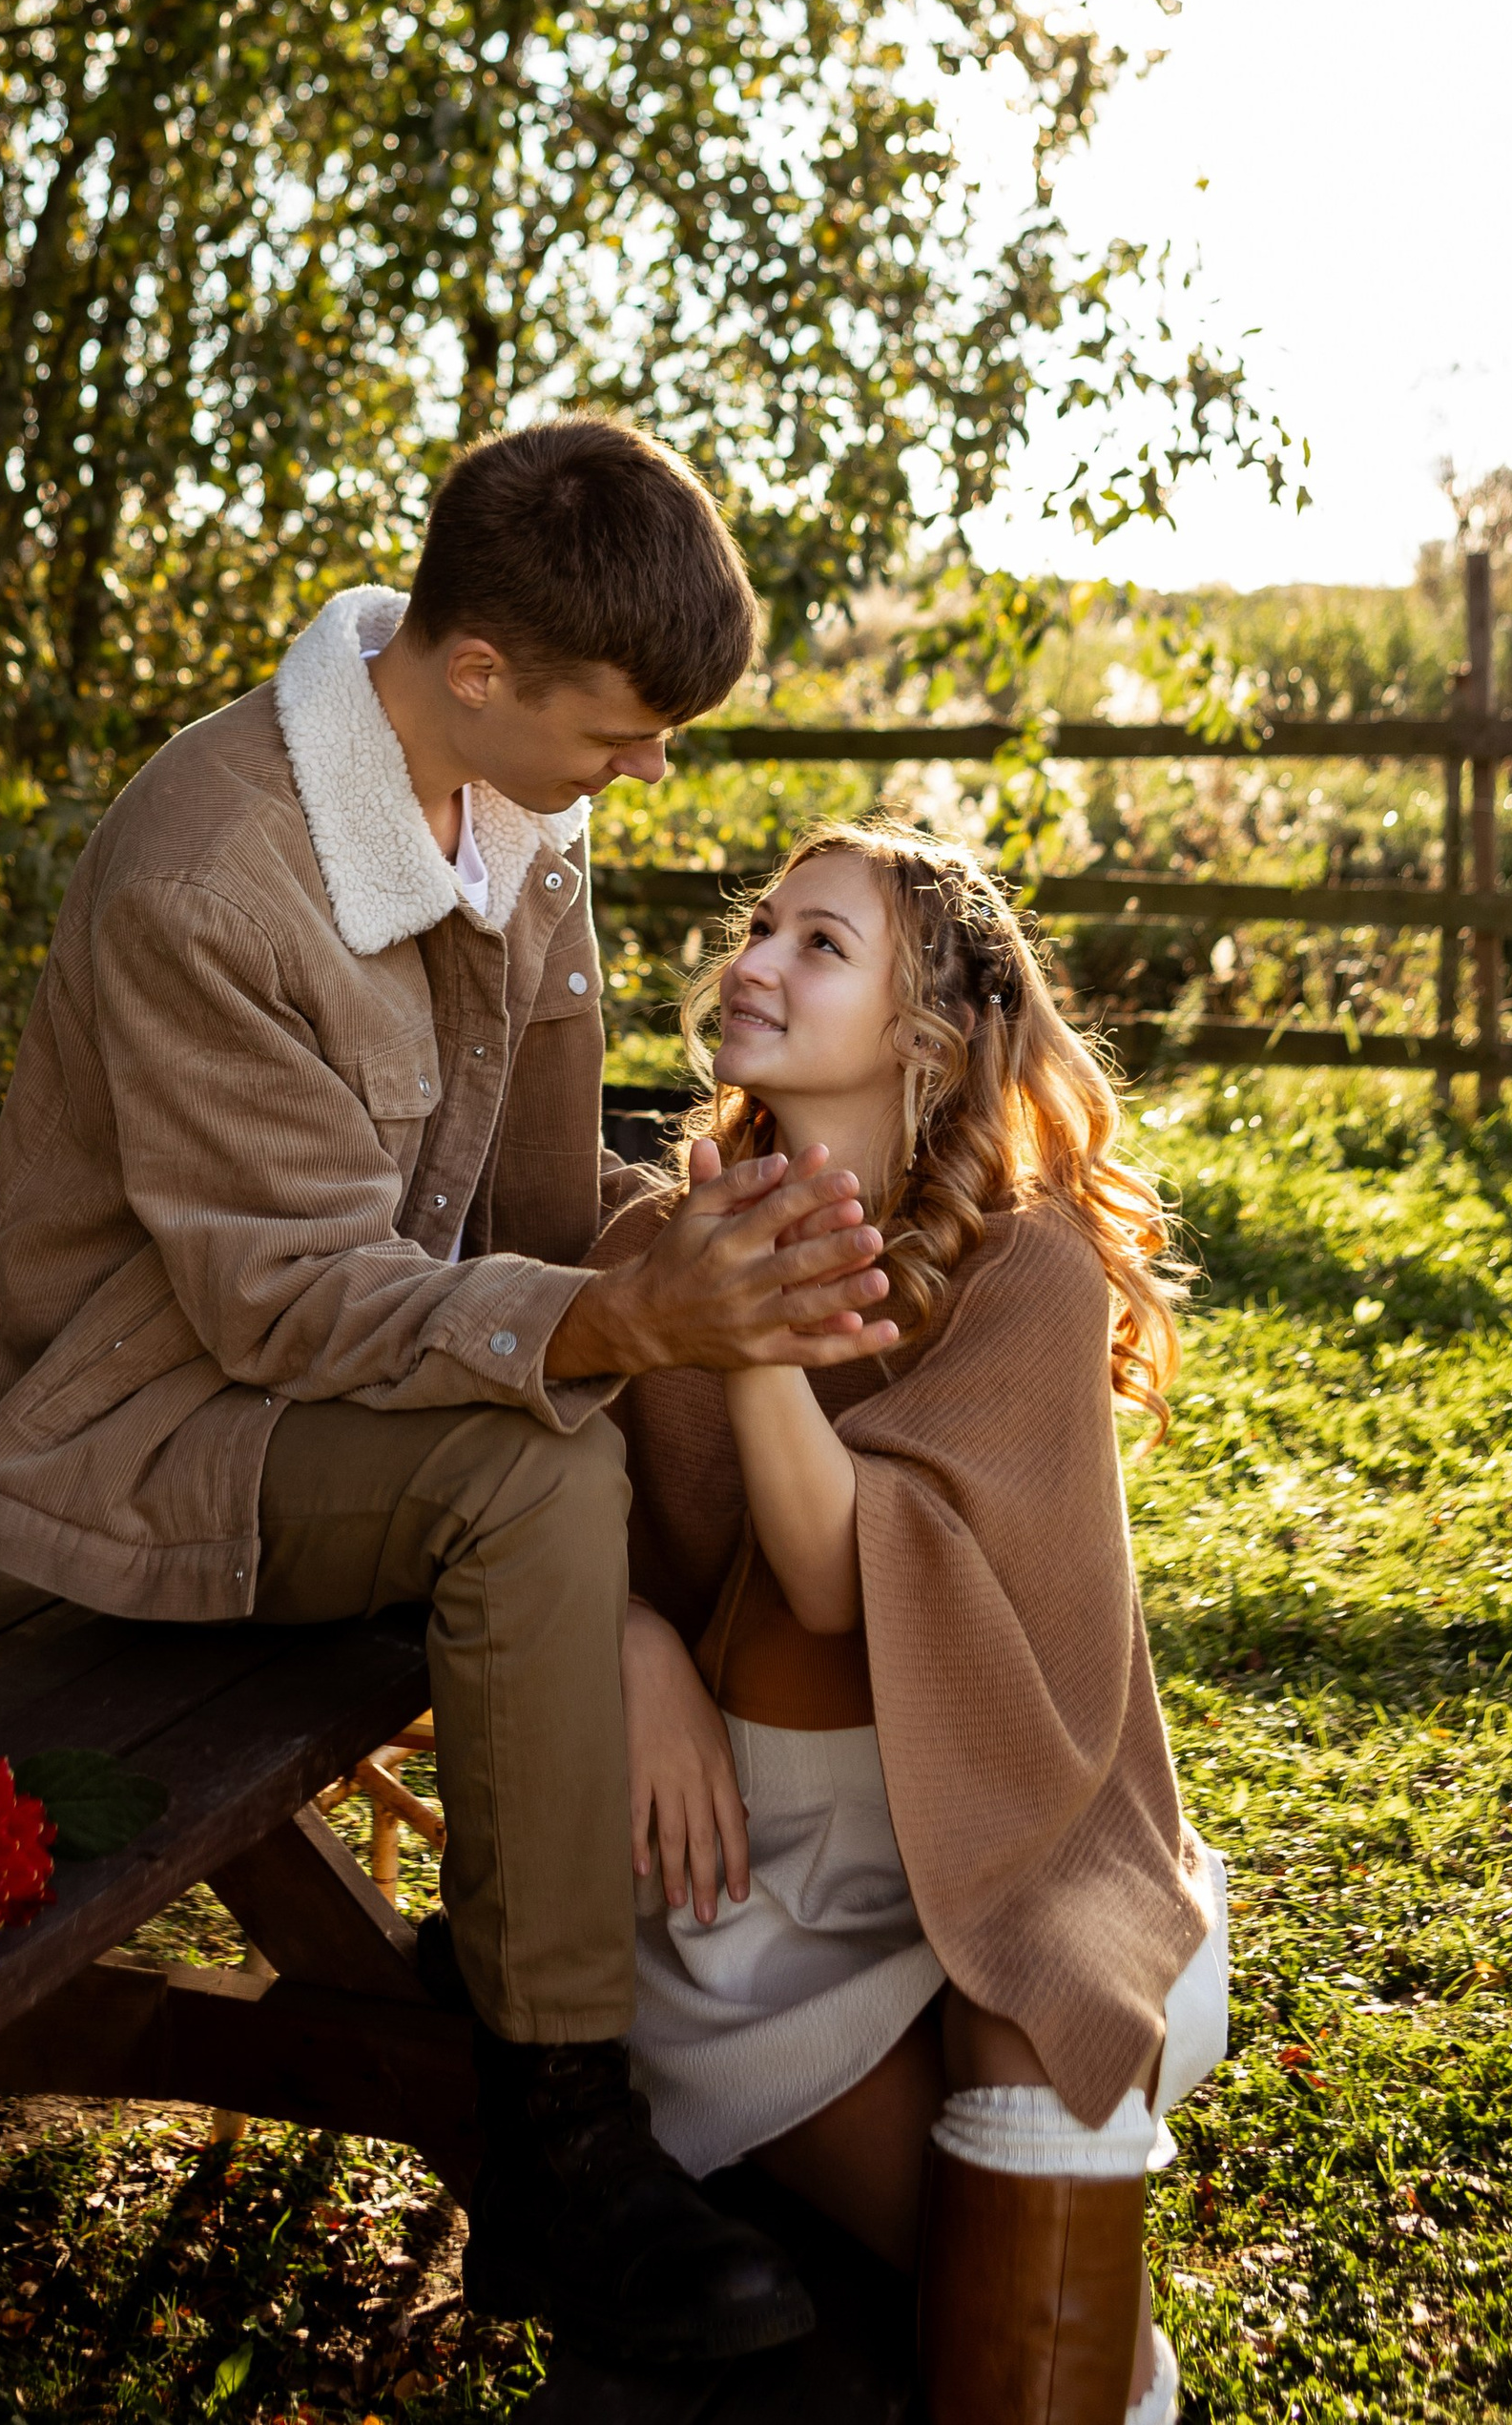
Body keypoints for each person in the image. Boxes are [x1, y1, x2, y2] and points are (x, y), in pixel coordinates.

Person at [0, 420, 893, 2370]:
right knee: (532, 1489)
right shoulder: (211, 877)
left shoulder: (516, 803)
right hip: (152, 1428)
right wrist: (616, 1424)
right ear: (476, 670)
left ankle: (784, 1967)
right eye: (624, 732)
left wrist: (698, 1274)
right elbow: (288, 1305)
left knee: (730, 1369)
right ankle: (555, 2138)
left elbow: (538, 1206)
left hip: (387, 1374)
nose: (648, 775)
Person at [604, 822, 1227, 2425]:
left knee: (1038, 2243)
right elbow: (527, 1489)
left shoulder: (1029, 1278)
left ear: (929, 1030)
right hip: (745, 1906)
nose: (753, 962)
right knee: (1010, 2304)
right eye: (759, 927)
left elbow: (842, 1582)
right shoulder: (649, 1248)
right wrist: (635, 1641)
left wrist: (740, 1332)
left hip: (1012, 1846)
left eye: (821, 944)